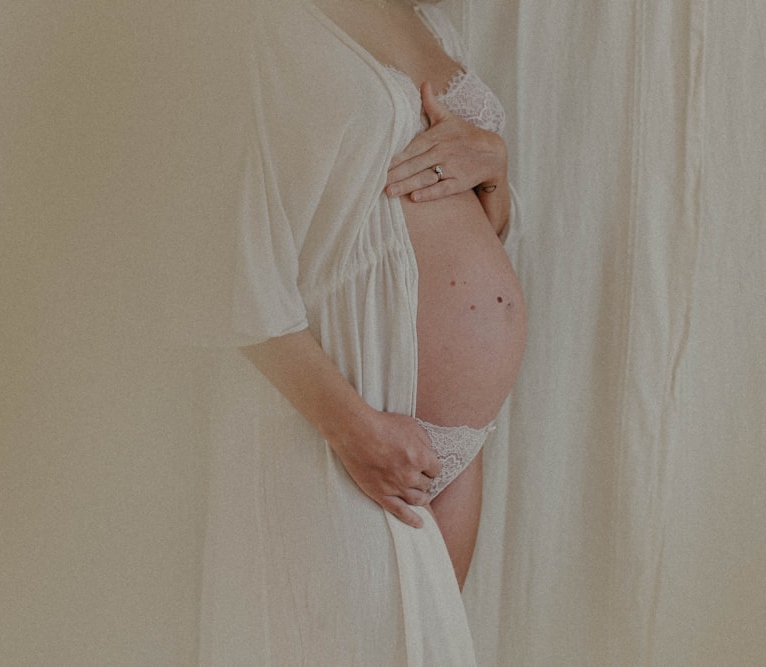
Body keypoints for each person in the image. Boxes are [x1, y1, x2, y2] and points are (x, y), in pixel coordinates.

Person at [203, 0, 525, 662]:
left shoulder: (430, 22)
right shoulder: (247, 24)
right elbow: (218, 250)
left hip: (456, 449)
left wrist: (493, 170)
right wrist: (351, 427)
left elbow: (451, 221)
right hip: (346, 422)